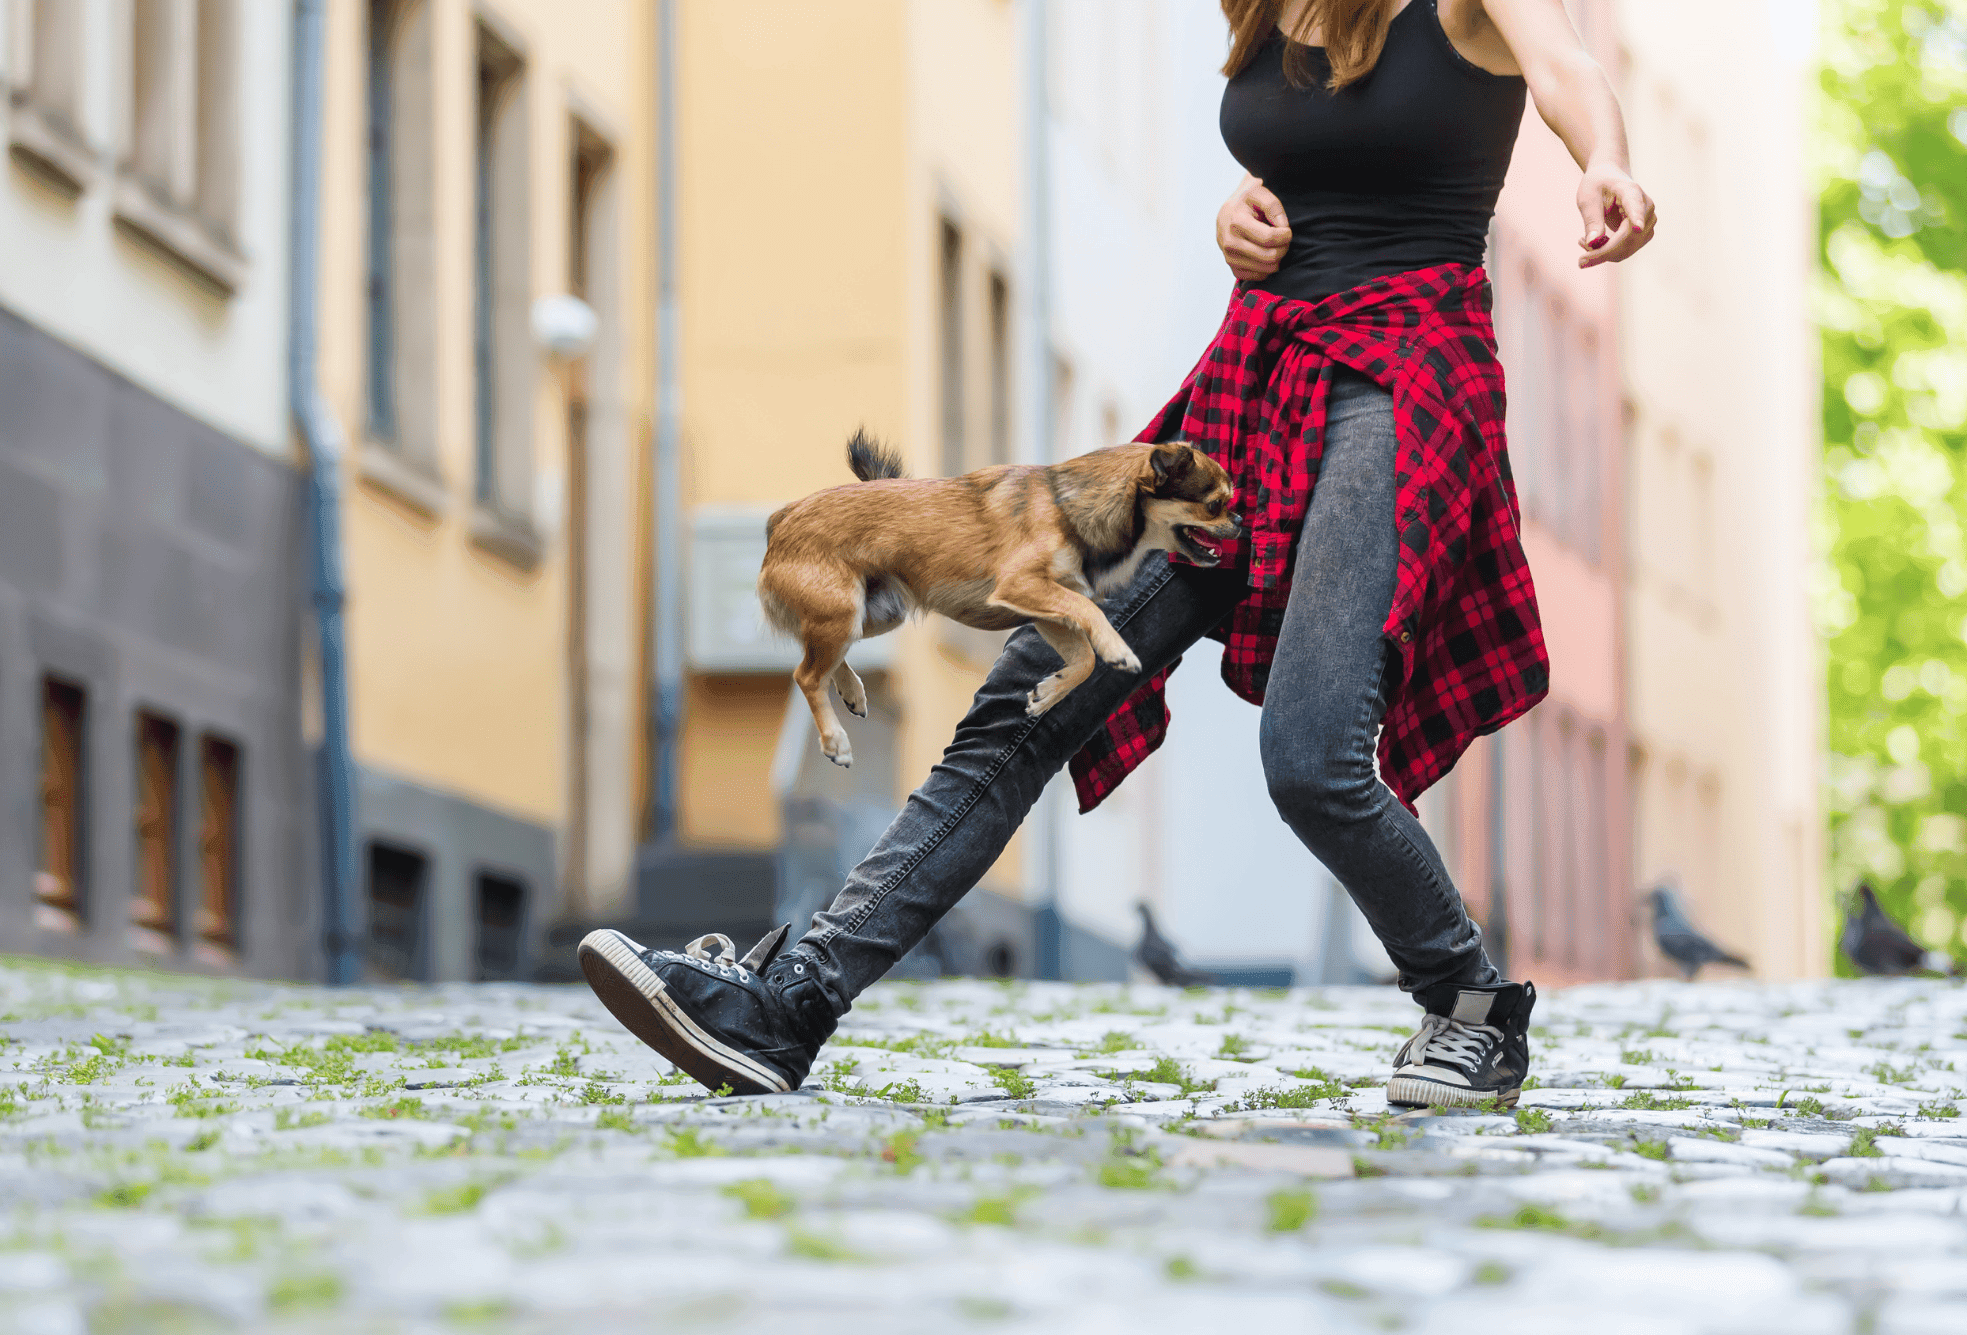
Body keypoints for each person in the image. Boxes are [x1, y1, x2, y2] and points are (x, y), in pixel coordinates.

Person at [577, 0, 1656, 1108]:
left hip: (1397, 380)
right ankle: (790, 1003)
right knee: (1029, 699)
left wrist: (1604, 160)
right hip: (1256, 371)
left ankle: (1467, 1006)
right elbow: (1304, 156)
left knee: (1311, 755)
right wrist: (1236, 218)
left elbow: (1566, 68)